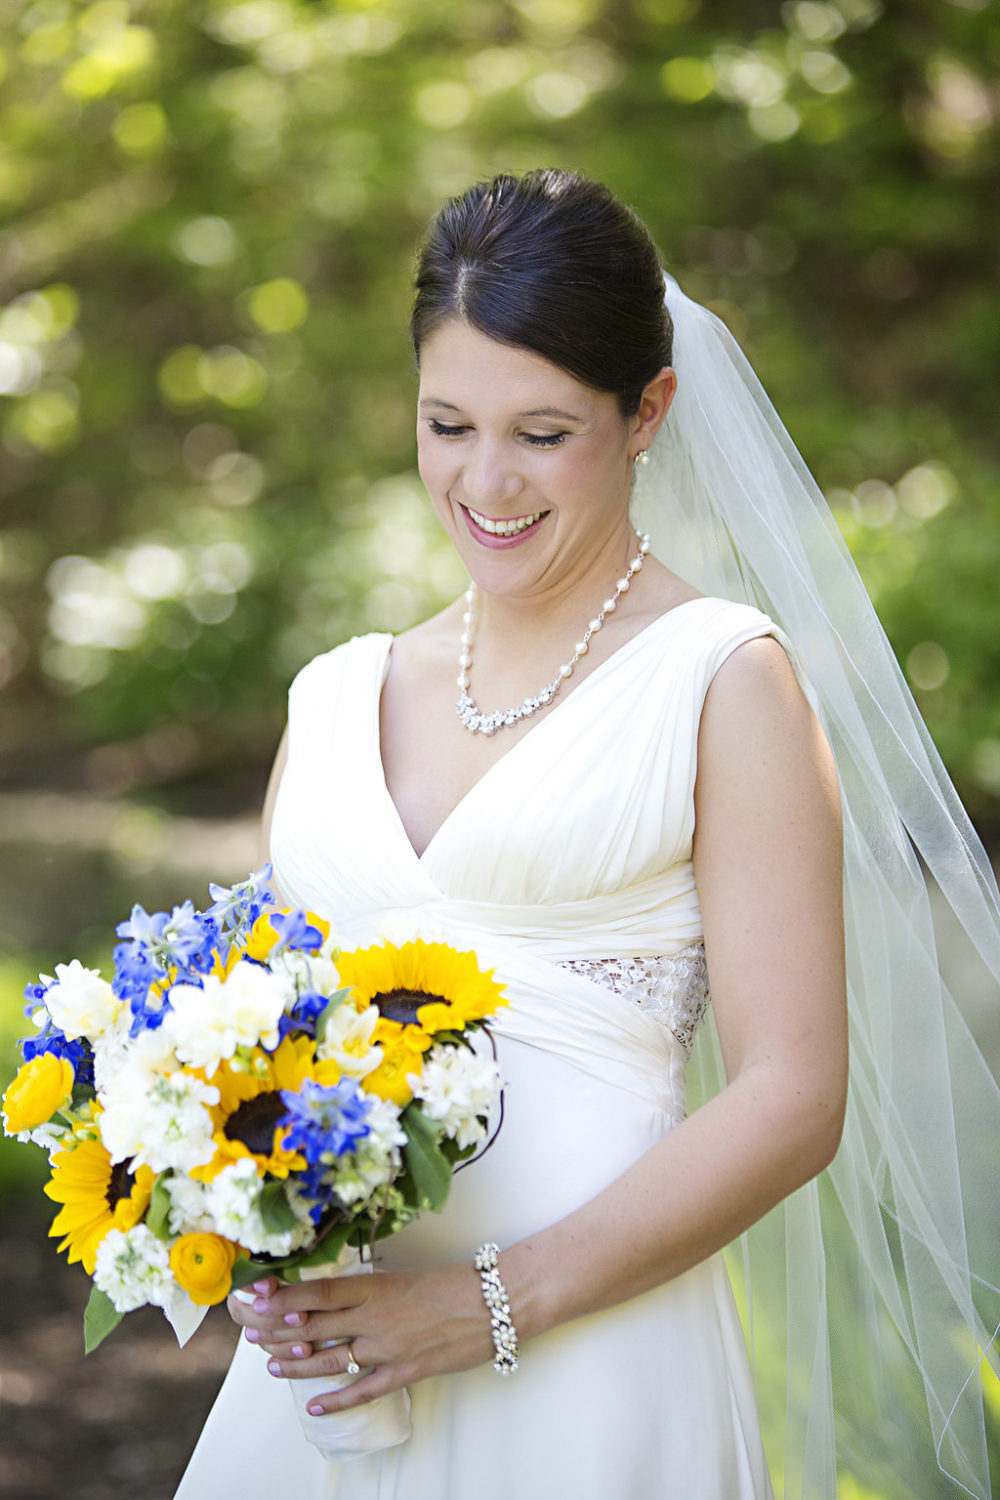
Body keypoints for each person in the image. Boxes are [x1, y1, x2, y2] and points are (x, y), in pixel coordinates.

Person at [175, 171, 1000, 1500]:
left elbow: (795, 1096)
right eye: (448, 424)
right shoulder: (334, 694)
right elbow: (252, 1027)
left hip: (590, 1369)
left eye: (543, 432)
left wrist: (485, 1304)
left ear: (647, 414)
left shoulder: (724, 679)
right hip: (329, 1374)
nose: (485, 482)